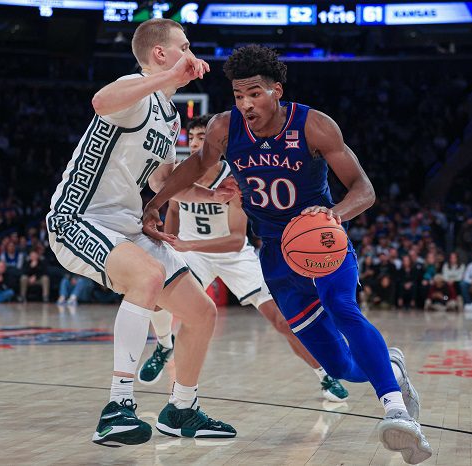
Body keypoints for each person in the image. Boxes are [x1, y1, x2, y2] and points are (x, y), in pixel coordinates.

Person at [142, 44, 431, 464]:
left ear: (276, 90)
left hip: (323, 242)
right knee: (342, 370)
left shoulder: (314, 125)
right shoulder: (224, 128)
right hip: (276, 255)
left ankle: (397, 411)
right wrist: (155, 201)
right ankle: (393, 366)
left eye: (255, 93)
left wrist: (331, 215)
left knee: (343, 306)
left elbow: (364, 190)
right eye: (239, 95)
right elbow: (195, 166)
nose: (246, 104)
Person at [46, 18, 237, 447]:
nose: (191, 54)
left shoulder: (168, 115)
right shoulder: (135, 88)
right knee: (148, 277)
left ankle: (181, 409)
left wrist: (213, 193)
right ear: (160, 54)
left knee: (202, 312)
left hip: (127, 226)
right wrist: (168, 77)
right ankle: (117, 408)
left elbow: (161, 182)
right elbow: (99, 101)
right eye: (184, 46)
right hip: (77, 217)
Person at [138, 115, 349, 402]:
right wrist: (171, 246)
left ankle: (324, 374)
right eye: (195, 138)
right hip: (192, 253)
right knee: (156, 287)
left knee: (281, 321)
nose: (199, 143)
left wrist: (187, 245)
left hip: (233, 255)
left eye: (204, 137)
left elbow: (236, 240)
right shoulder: (180, 175)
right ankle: (164, 345)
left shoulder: (234, 180)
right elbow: (174, 210)